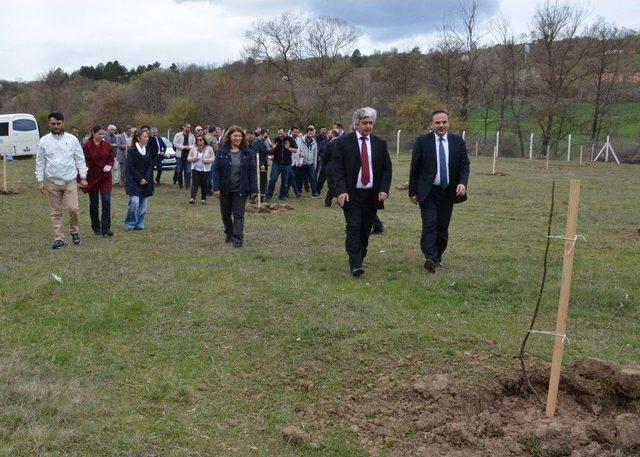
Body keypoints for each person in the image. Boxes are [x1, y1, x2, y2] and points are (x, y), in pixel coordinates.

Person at [330, 107, 392, 277]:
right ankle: (355, 263)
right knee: (354, 227)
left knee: (365, 228)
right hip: (352, 194)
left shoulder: (379, 144)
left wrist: (384, 190)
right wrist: (341, 191)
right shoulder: (344, 143)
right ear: (356, 124)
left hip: (371, 194)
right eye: (365, 123)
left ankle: (361, 255)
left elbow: (387, 169)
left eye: (371, 123)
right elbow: (337, 169)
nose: (368, 126)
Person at [409, 110, 470, 273]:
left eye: (444, 122)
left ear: (448, 123)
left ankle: (437, 255)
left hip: (448, 192)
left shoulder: (457, 142)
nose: (441, 125)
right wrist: (412, 192)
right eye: (437, 122)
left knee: (442, 227)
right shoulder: (422, 142)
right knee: (429, 224)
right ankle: (429, 256)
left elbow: (465, 165)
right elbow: (414, 168)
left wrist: (463, 183)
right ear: (431, 124)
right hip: (428, 192)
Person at [35, 112, 88, 249]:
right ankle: (59, 238)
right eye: (53, 124)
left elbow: (80, 159)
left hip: (70, 181)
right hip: (52, 182)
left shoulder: (72, 139)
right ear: (49, 124)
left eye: (58, 124)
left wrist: (83, 177)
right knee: (56, 212)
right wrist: (40, 180)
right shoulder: (44, 141)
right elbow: (40, 161)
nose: (56, 126)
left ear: (63, 123)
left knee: (73, 209)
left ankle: (74, 230)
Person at [211, 126, 258, 248]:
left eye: (239, 136)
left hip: (241, 189)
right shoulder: (222, 152)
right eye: (235, 136)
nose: (237, 138)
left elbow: (252, 172)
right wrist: (215, 188)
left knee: (238, 214)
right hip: (225, 189)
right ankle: (229, 233)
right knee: (225, 214)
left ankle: (238, 239)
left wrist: (254, 190)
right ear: (230, 137)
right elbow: (215, 170)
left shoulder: (248, 152)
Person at [82, 125, 114, 237]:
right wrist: (82, 177)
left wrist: (109, 165)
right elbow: (83, 161)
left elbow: (111, 157)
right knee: (94, 203)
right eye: (99, 134)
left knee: (106, 201)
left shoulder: (106, 145)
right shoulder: (86, 146)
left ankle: (106, 228)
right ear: (93, 133)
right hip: (93, 177)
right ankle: (96, 226)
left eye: (103, 134)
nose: (102, 136)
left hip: (105, 177)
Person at [124, 129, 154, 231]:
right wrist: (139, 178)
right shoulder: (132, 151)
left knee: (143, 204)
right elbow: (130, 167)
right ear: (138, 138)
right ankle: (130, 224)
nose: (147, 138)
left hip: (146, 180)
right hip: (133, 180)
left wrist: (146, 178)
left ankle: (140, 224)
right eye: (145, 136)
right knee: (135, 202)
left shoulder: (148, 151)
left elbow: (150, 166)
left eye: (147, 137)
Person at [265, 128, 297, 201]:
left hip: (287, 164)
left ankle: (282, 196)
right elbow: (270, 152)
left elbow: (295, 150)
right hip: (277, 163)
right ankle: (269, 196)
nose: (280, 135)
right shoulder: (276, 139)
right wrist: (273, 148)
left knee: (284, 181)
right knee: (272, 179)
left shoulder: (290, 139)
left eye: (281, 133)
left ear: (285, 132)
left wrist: (288, 148)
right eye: (279, 133)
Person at [187, 134, 214, 204]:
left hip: (205, 169)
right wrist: (194, 159)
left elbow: (213, 158)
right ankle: (192, 198)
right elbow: (188, 158)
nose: (199, 141)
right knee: (194, 183)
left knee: (204, 184)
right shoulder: (193, 148)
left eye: (201, 139)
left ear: (204, 140)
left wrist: (206, 160)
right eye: (198, 140)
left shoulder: (209, 148)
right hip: (195, 168)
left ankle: (203, 199)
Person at [297, 126, 320, 197]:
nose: (311, 135)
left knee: (312, 178)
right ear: (306, 133)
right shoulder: (301, 141)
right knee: (300, 178)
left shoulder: (314, 142)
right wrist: (299, 160)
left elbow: (315, 154)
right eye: (309, 134)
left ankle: (314, 192)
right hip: (302, 163)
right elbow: (297, 151)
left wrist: (315, 164)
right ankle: (299, 191)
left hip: (310, 163)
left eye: (312, 134)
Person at [319, 128, 339, 206]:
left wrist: (324, 163)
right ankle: (328, 202)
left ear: (332, 134)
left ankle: (338, 197)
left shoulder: (330, 144)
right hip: (339, 168)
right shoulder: (342, 143)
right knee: (334, 185)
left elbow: (325, 157)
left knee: (331, 186)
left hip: (330, 168)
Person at [173, 123, 195, 189]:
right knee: (179, 171)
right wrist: (183, 147)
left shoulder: (192, 136)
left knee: (188, 171)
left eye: (189, 127)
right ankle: (180, 185)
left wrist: (189, 147)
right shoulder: (177, 135)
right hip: (179, 156)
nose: (188, 129)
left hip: (188, 156)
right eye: (187, 127)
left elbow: (194, 145)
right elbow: (175, 144)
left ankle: (187, 185)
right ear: (184, 127)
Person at [251, 129, 269, 198]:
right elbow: (256, 154)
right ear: (261, 135)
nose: (266, 138)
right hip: (258, 165)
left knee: (263, 181)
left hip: (264, 164)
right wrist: (261, 164)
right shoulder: (256, 142)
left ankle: (261, 196)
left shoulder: (263, 141)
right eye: (265, 137)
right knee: (258, 181)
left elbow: (265, 152)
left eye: (267, 137)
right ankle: (254, 197)